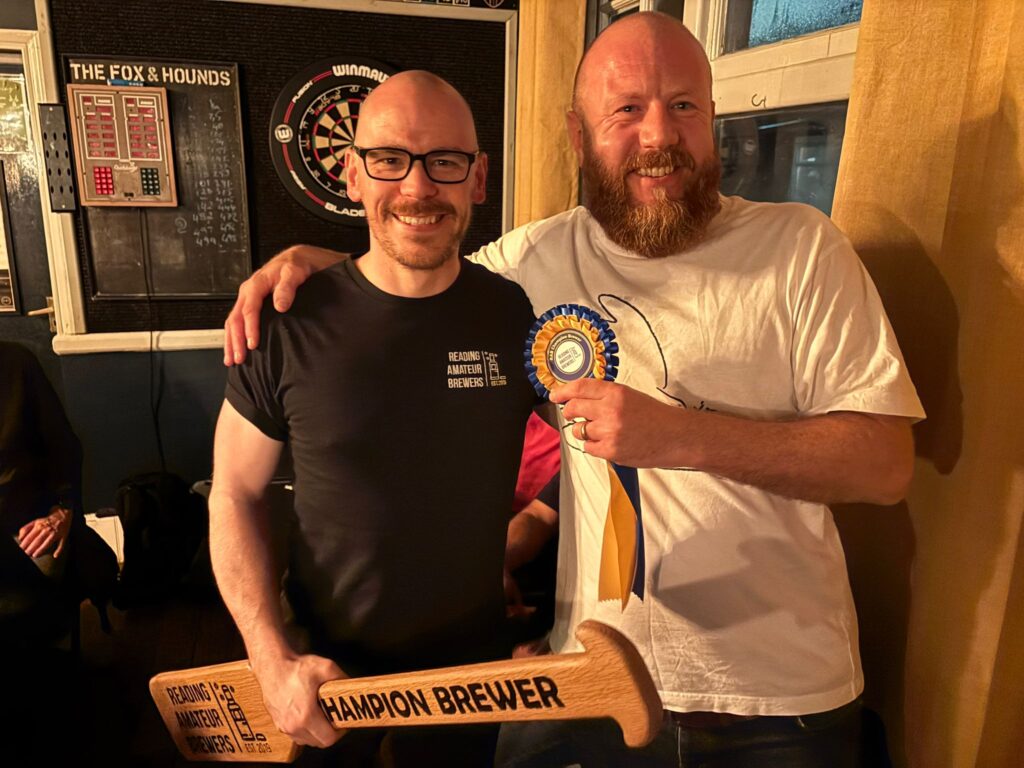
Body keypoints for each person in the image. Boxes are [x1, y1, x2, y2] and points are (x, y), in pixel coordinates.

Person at [222, 13, 925, 767]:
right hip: (592, 683)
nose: (658, 134)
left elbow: (886, 466)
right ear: (578, 134)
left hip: (779, 703)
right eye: (626, 110)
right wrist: (315, 264)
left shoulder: (803, 248)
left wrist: (682, 436)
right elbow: (416, 264)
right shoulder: (535, 261)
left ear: (713, 118)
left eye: (683, 105)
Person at [209, 70, 544, 766]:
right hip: (323, 681)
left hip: (469, 682)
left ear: (479, 178)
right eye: (390, 159)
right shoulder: (286, 321)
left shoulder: (513, 313)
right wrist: (269, 657)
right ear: (354, 175)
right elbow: (234, 493)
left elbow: (598, 445)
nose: (418, 187)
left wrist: (548, 570)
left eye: (444, 161)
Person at [1, 341, 81, 645]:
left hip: (24, 523)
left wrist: (62, 510)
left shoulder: (17, 363)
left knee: (30, 610)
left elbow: (63, 448)